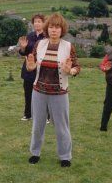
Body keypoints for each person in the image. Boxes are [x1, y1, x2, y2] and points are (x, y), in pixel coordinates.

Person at [25, 13, 80, 167]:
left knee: (62, 126)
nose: (53, 30)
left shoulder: (68, 46)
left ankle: (65, 156)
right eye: (51, 27)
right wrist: (31, 67)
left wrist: (71, 71)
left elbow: (77, 67)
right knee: (37, 125)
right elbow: (32, 63)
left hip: (59, 93)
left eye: (57, 27)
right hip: (39, 91)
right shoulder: (40, 44)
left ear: (62, 30)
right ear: (46, 28)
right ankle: (35, 153)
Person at [18, 14, 45, 121]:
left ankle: (45, 116)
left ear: (43, 23)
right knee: (28, 92)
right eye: (35, 22)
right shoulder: (29, 36)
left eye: (39, 21)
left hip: (41, 69)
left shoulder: (47, 37)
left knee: (42, 94)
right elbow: (22, 53)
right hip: (28, 69)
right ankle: (28, 114)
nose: (37, 23)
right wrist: (23, 48)